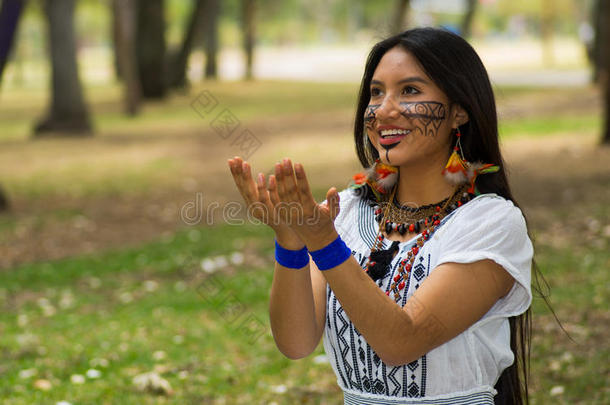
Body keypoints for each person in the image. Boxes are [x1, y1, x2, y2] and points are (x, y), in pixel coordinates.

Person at [228, 27, 533, 405]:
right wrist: (290, 240)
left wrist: (323, 243)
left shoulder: (490, 223)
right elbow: (295, 342)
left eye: (410, 90)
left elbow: (402, 342)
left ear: (459, 111)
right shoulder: (347, 211)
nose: (384, 110)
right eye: (376, 92)